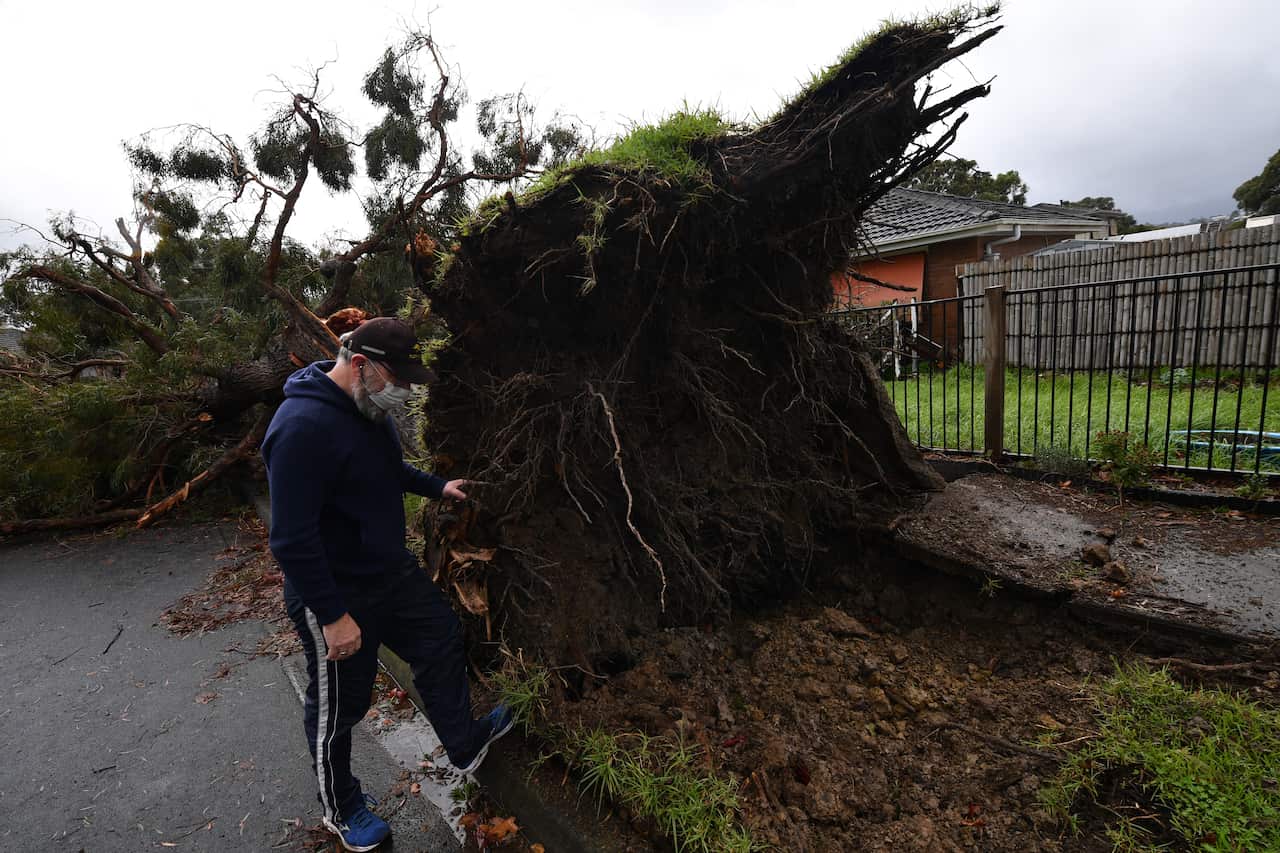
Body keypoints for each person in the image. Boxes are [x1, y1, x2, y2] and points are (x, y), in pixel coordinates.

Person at [262, 317, 512, 852]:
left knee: (440, 635)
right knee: (340, 707)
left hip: (387, 571)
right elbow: (291, 539)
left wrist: (438, 486)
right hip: (332, 589)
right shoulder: (300, 427)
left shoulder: (368, 408)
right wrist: (333, 616)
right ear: (359, 365)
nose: (402, 392)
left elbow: (389, 470)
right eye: (396, 379)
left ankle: (464, 742)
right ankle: (343, 807)